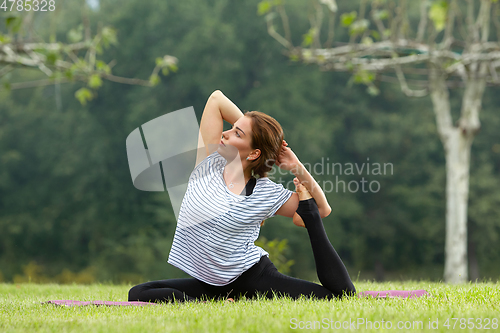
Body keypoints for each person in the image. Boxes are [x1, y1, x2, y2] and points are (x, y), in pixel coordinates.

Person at [128, 90, 355, 303]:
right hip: (211, 284)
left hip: (253, 278)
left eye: (236, 133)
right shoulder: (208, 164)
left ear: (254, 153)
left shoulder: (265, 192)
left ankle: (221, 301)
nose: (225, 133)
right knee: (138, 293)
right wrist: (260, 137)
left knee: (340, 294)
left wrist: (296, 167)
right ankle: (215, 303)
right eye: (232, 128)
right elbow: (216, 99)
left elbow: (323, 209)